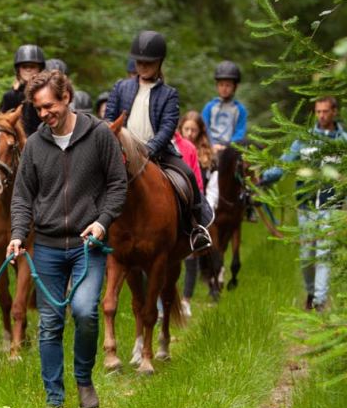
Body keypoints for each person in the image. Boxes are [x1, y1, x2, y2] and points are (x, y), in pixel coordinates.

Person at [8, 69, 126, 408]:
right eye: (39, 109)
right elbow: (22, 197)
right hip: (45, 246)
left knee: (86, 312)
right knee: (50, 323)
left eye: (49, 106)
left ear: (66, 98)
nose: (45, 114)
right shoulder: (34, 146)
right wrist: (17, 234)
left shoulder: (99, 135)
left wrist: (103, 223)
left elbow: (118, 185)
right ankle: (54, 398)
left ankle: (84, 380)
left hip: (87, 245)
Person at [103, 30, 213, 251]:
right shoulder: (120, 87)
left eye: (149, 62)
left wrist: (148, 149)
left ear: (159, 62)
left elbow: (168, 127)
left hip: (157, 153)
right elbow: (108, 119)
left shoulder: (169, 94)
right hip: (122, 152)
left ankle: (195, 227)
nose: (143, 66)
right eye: (140, 61)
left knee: (188, 176)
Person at [261, 96, 347, 311]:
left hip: (331, 207)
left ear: (334, 112)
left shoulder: (345, 141)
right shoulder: (304, 140)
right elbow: (284, 164)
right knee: (307, 256)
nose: (321, 115)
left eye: (325, 111)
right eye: (318, 112)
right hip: (306, 207)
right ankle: (312, 291)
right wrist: (264, 179)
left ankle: (320, 302)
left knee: (324, 254)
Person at [177, 111, 214, 315]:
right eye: (187, 129)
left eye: (194, 130)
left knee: (191, 253)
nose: (190, 133)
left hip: (196, 200)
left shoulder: (200, 152)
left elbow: (201, 183)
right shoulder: (176, 147)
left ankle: (186, 299)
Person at [202, 60, 248, 155]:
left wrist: (228, 146)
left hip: (230, 149)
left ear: (235, 87)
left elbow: (239, 132)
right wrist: (212, 144)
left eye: (228, 85)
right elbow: (204, 127)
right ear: (217, 86)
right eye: (221, 85)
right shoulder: (209, 107)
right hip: (210, 147)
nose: (224, 88)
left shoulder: (240, 110)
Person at [0, 44, 46, 136]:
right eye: (24, 66)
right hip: (16, 144)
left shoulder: (47, 93)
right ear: (18, 70)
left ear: (40, 69)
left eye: (32, 66)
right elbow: (2, 125)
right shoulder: (10, 96)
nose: (28, 70)